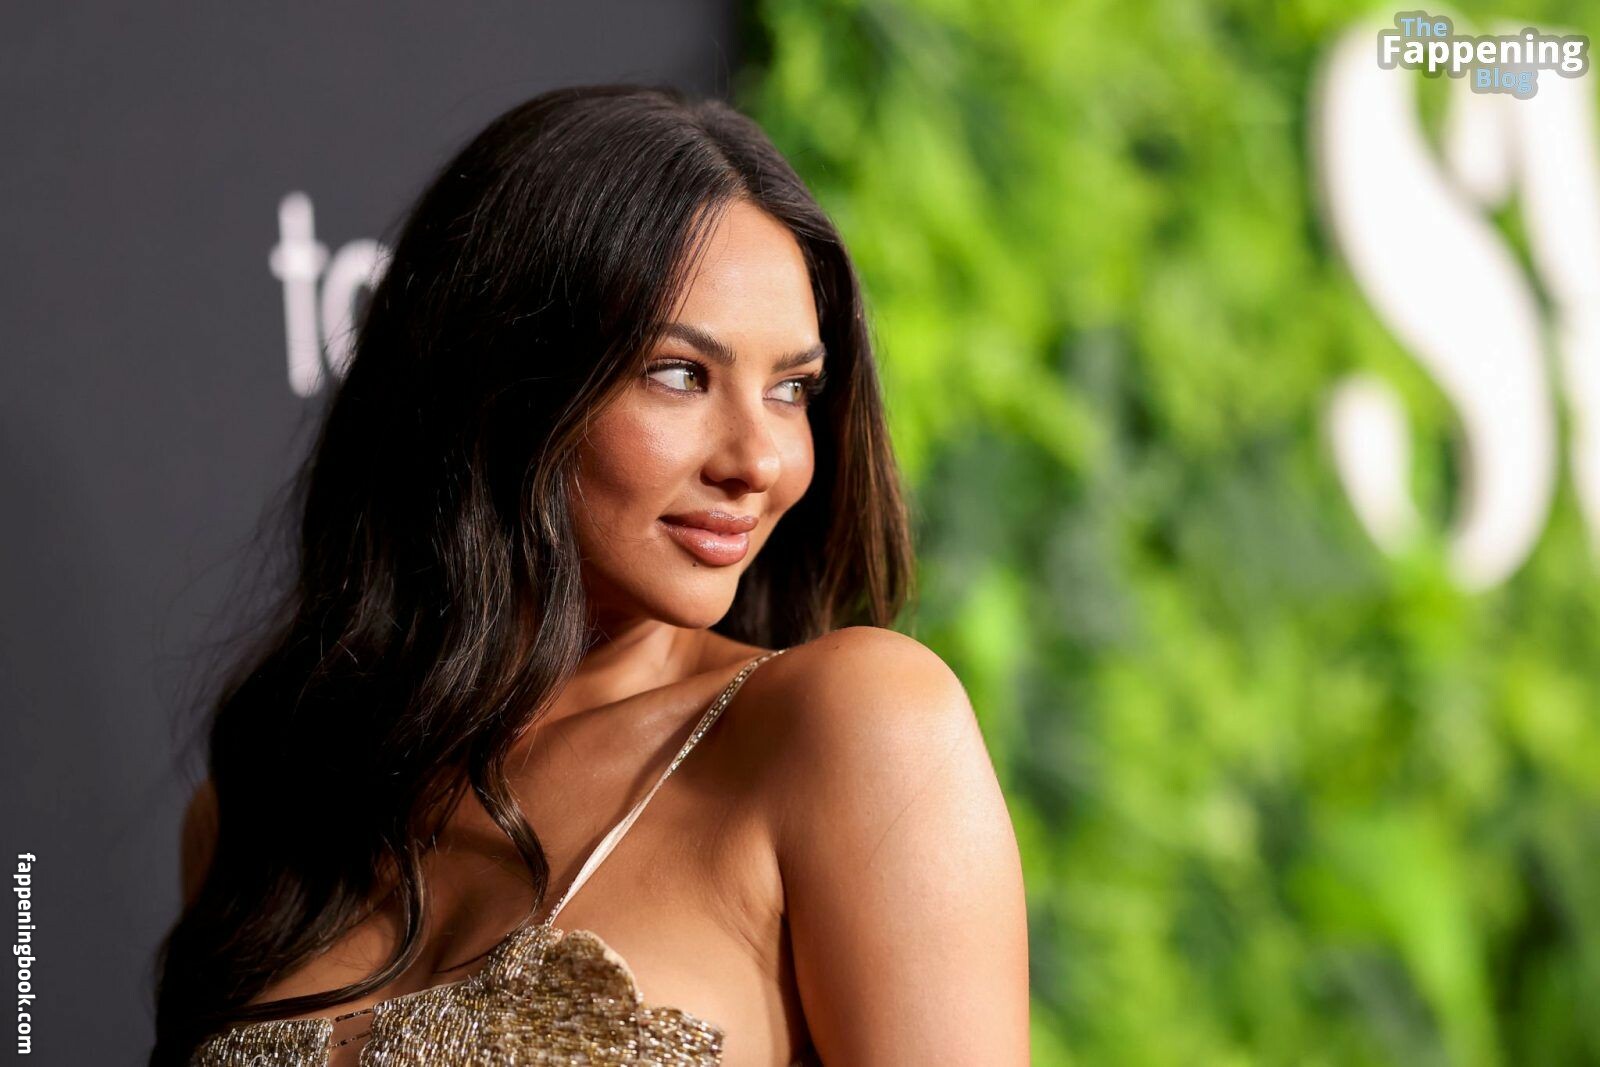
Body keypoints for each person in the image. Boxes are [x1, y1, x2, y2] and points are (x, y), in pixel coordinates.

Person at [150, 83, 1029, 1066]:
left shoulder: (848, 726)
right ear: (502, 381)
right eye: (680, 373)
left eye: (792, 388)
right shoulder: (261, 809)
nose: (759, 459)